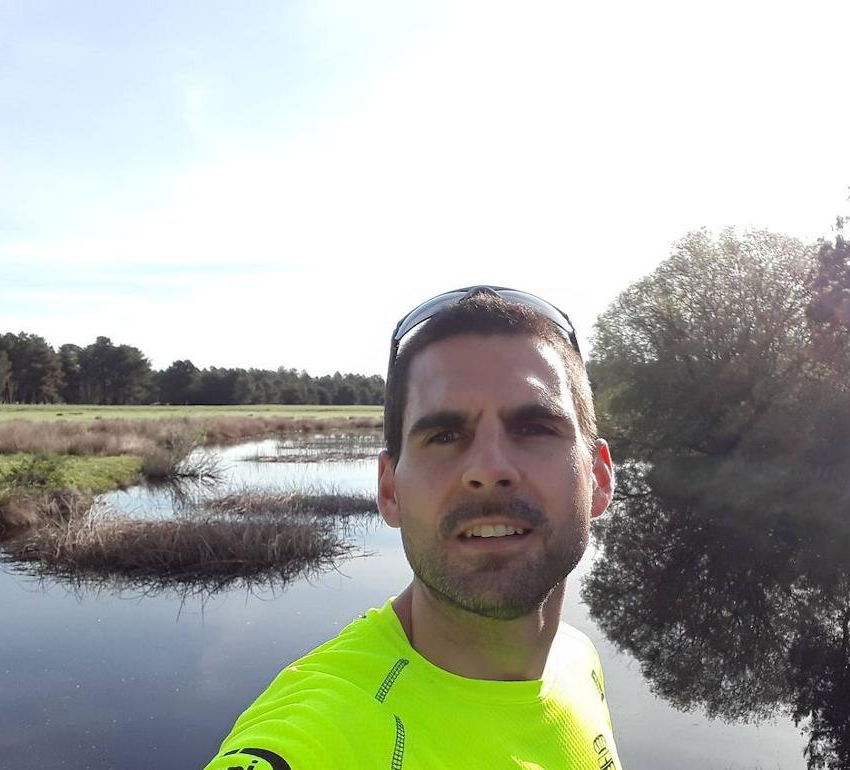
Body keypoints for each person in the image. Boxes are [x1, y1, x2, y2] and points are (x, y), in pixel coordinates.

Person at [205, 286, 622, 770]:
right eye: (445, 435)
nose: (489, 468)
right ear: (389, 490)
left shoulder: (577, 660)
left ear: (599, 477)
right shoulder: (322, 730)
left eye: (534, 428)